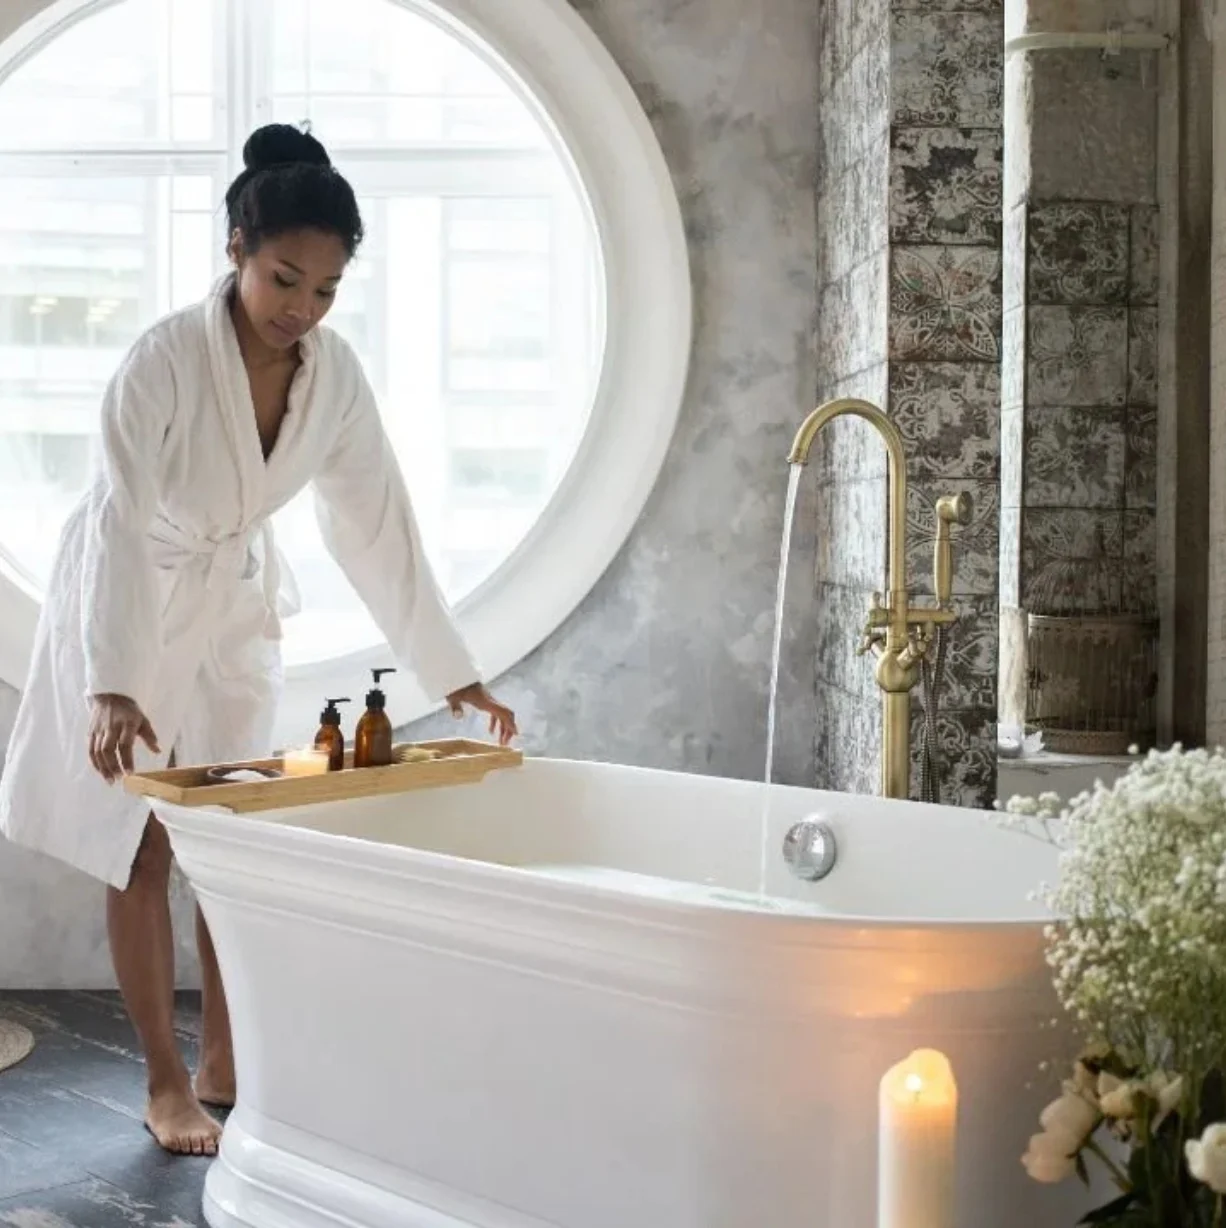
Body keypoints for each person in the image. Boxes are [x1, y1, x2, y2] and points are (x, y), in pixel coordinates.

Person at [0, 123, 517, 1157]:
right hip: (134, 595)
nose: (302, 309)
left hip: (230, 604)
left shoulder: (333, 376)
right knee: (141, 844)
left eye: (326, 289)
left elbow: (377, 523)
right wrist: (112, 680)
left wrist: (453, 672)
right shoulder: (162, 360)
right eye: (285, 279)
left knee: (229, 835)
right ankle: (163, 1080)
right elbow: (118, 517)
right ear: (236, 245)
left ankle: (227, 1060)